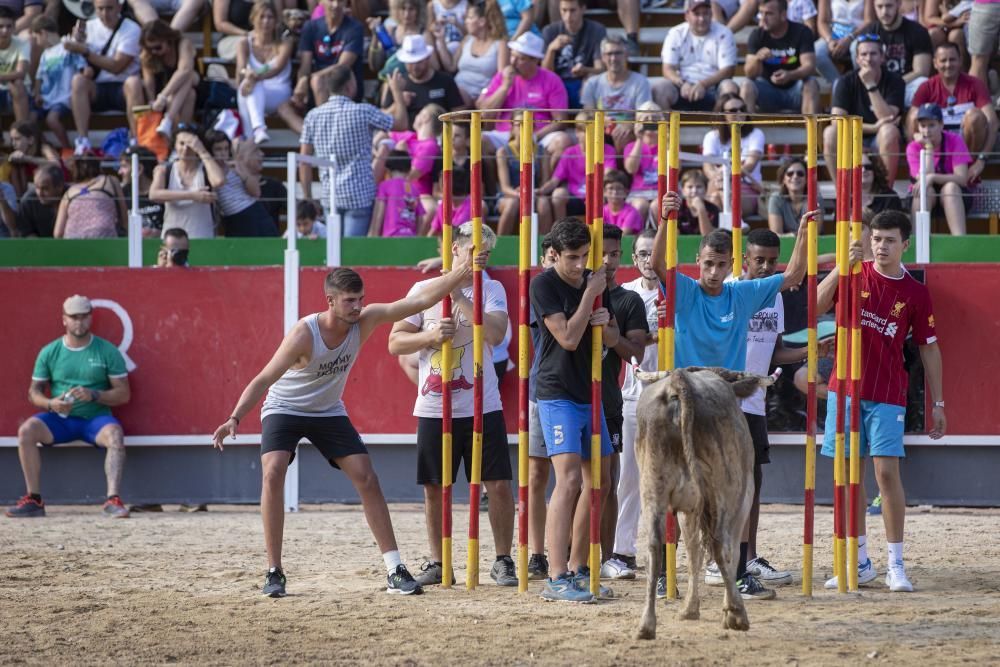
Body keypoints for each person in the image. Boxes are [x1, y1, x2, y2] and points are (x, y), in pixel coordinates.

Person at [211, 248, 480, 598]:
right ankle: (274, 570)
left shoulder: (365, 320)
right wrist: (234, 417)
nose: (357, 306)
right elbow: (264, 379)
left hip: (327, 410)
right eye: (350, 300)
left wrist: (459, 274)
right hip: (285, 407)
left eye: (360, 299)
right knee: (273, 471)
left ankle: (394, 568)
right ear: (330, 301)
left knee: (367, 477)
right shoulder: (303, 334)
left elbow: (414, 303)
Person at [650, 192, 815, 600]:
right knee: (672, 487)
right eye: (708, 263)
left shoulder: (741, 294)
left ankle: (738, 569)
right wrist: (665, 219)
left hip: (726, 404)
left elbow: (794, 276)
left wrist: (805, 233)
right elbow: (656, 265)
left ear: (730, 266)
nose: (714, 271)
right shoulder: (685, 291)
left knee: (738, 490)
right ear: (699, 261)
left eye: (721, 265)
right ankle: (663, 569)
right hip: (684, 401)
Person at [816, 209, 946, 593]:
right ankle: (858, 562)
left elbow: (930, 349)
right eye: (876, 238)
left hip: (888, 393)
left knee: (886, 474)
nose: (881, 246)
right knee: (848, 478)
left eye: (889, 240)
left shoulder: (916, 293)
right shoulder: (854, 273)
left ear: (905, 244)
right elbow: (818, 305)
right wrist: (841, 267)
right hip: (845, 390)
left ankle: (896, 563)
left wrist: (939, 405)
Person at [387, 222, 517, 587]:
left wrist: (460, 294)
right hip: (434, 405)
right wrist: (430, 335)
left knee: (498, 484)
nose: (481, 254)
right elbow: (395, 342)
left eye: (486, 251)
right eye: (474, 248)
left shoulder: (491, 289)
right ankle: (439, 561)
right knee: (434, 486)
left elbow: (494, 333)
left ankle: (503, 558)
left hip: (482, 403)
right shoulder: (423, 289)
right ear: (456, 248)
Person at [530, 216, 618, 602]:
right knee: (567, 481)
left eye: (584, 256)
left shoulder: (596, 283)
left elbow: (613, 338)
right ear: (554, 255)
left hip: (591, 392)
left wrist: (603, 320)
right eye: (572, 257)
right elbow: (566, 337)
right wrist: (588, 298)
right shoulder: (544, 284)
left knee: (597, 483)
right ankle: (556, 574)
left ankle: (581, 568)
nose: (579, 264)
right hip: (557, 392)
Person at [6, 295, 131, 519]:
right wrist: (51, 403)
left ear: (91, 318)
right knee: (26, 431)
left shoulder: (107, 351)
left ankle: (113, 499)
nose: (79, 322)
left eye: (83, 317)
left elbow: (123, 394)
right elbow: (33, 393)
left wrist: (95, 394)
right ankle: (33, 498)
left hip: (95, 418)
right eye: (74, 317)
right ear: (64, 319)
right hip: (61, 419)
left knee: (115, 434)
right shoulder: (50, 351)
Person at [594, 224, 649, 581]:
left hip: (615, 398)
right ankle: (565, 553)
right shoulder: (568, 291)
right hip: (569, 396)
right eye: (603, 253)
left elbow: (636, 352)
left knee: (609, 479)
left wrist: (612, 338)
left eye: (614, 254)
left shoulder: (628, 300)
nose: (608, 261)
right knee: (574, 479)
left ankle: (608, 554)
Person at [299, 64, 407, 237]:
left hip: (330, 195)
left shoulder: (313, 116)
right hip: (360, 196)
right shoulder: (363, 111)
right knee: (351, 257)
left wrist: (308, 196)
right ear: (349, 86)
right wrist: (397, 92)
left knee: (334, 256)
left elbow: (304, 161)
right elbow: (401, 124)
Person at [477, 32, 571, 181]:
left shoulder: (551, 80)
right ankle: (496, 189)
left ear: (535, 61)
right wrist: (505, 86)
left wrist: (533, 136)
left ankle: (544, 186)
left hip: (540, 134)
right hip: (506, 133)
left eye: (520, 58)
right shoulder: (503, 76)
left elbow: (560, 121)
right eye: (512, 56)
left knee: (563, 141)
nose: (513, 62)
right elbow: (484, 114)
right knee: (478, 140)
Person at [822, 34, 903, 187]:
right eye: (864, 54)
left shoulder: (895, 80)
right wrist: (873, 127)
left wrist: (870, 84)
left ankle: (885, 194)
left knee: (889, 131)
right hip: (853, 136)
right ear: (857, 59)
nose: (868, 58)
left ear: (882, 58)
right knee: (830, 133)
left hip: (880, 138)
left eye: (873, 54)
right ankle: (843, 192)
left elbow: (889, 117)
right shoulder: (845, 81)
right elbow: (836, 121)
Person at [909, 42, 996, 183]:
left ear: (960, 61)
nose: (948, 64)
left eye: (952, 59)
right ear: (935, 63)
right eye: (943, 60)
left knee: (975, 116)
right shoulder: (926, 87)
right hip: (935, 148)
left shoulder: (975, 84)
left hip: (966, 148)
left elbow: (993, 122)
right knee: (913, 116)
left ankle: (966, 172)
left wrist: (981, 160)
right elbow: (912, 120)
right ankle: (925, 168)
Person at [66, 0, 142, 155]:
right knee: (77, 81)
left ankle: (136, 139)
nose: (105, 14)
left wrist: (84, 51)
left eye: (109, 8)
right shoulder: (89, 27)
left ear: (119, 7)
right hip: (98, 88)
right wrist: (76, 46)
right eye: (100, 9)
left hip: (123, 88)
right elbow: (79, 64)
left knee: (134, 83)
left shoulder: (132, 29)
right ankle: (83, 141)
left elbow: (117, 66)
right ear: (95, 8)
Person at [652, 0, 739, 112]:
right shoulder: (675, 33)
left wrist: (703, 84)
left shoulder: (724, 33)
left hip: (714, 87)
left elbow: (728, 70)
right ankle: (667, 128)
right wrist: (682, 83)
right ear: (687, 15)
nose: (702, 19)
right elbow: (667, 69)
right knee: (660, 88)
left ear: (711, 14)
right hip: (682, 87)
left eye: (705, 13)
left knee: (729, 87)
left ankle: (724, 129)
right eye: (697, 14)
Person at [741, 0, 820, 114]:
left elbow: (809, 66)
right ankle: (748, 131)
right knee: (746, 85)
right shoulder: (757, 34)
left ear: (783, 15)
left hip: (795, 89)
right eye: (761, 13)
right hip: (768, 91)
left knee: (811, 84)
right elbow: (749, 73)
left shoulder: (802, 32)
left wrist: (790, 75)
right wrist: (757, 59)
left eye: (769, 14)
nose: (763, 18)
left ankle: (810, 131)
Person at [236, 0, 300, 143]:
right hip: (253, 92)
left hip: (279, 92)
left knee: (252, 83)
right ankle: (256, 134)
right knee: (246, 86)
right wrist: (246, 73)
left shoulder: (286, 42)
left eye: (270, 17)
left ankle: (253, 134)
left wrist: (254, 77)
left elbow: (277, 68)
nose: (266, 21)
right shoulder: (244, 42)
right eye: (262, 17)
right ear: (253, 19)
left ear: (276, 20)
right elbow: (240, 69)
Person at [121, 20, 197, 140]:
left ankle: (175, 131)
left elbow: (185, 70)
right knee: (131, 82)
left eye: (158, 47)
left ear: (168, 39)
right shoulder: (148, 54)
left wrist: (163, 96)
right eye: (150, 49)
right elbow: (149, 82)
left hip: (185, 89)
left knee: (188, 79)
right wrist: (154, 101)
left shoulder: (182, 43)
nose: (154, 52)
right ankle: (137, 137)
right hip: (163, 94)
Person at [150, 126, 227, 239]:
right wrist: (193, 195)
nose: (185, 149)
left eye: (190, 144)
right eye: (181, 143)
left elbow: (219, 181)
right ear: (175, 145)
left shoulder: (206, 169)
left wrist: (202, 151)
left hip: (203, 237)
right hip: (171, 240)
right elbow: (154, 194)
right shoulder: (164, 170)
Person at [906, 102, 970, 235]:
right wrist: (928, 147)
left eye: (932, 125)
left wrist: (933, 177)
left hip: (955, 197)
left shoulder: (955, 140)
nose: (926, 130)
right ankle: (917, 242)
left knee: (950, 187)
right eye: (923, 126)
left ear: (941, 125)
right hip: (925, 196)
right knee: (923, 191)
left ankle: (960, 242)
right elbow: (923, 180)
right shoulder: (913, 147)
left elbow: (962, 178)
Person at [539, 111, 616, 220]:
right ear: (577, 132)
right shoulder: (569, 152)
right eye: (587, 131)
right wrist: (539, 191)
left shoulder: (608, 150)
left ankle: (601, 233)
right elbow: (554, 181)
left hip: (597, 195)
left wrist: (600, 191)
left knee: (605, 194)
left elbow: (609, 175)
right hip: (574, 197)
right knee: (558, 194)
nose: (593, 135)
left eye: (595, 131)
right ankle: (562, 231)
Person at [580, 35, 652, 151]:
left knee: (623, 135)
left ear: (626, 55)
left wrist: (629, 124)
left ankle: (618, 168)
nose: (613, 58)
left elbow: (643, 115)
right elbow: (587, 112)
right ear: (603, 57)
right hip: (601, 128)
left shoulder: (640, 82)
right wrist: (601, 120)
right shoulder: (592, 83)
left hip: (628, 131)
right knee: (585, 128)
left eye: (618, 53)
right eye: (609, 54)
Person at [702, 93, 766, 218]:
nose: (739, 113)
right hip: (718, 184)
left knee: (716, 196)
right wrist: (720, 178)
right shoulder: (711, 136)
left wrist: (725, 176)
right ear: (722, 114)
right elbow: (707, 167)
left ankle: (722, 232)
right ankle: (735, 223)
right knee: (716, 193)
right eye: (733, 110)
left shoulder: (756, 134)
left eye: (742, 109)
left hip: (747, 188)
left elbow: (750, 165)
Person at [381, 35, 464, 130]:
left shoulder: (445, 80)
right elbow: (382, 117)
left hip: (439, 136)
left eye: (419, 62)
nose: (415, 67)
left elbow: (459, 113)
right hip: (405, 137)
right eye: (410, 62)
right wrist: (398, 102)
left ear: (428, 58)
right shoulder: (397, 83)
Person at [859, 0, 932, 107]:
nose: (884, 12)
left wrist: (894, 83)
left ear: (899, 4)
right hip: (877, 85)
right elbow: (865, 68)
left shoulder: (917, 31)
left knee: (923, 83)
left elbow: (921, 71)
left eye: (889, 6)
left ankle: (913, 119)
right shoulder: (869, 33)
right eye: (880, 7)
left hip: (906, 82)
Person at [294, 0, 364, 108]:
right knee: (285, 106)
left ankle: (324, 123)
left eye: (340, 1)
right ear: (321, 1)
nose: (335, 5)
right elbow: (305, 65)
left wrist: (314, 77)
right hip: (317, 86)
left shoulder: (355, 28)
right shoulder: (310, 27)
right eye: (331, 0)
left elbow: (343, 65)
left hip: (344, 83)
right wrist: (302, 80)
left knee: (318, 80)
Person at [541, 0, 606, 108]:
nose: (568, 16)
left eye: (572, 10)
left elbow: (600, 69)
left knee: (591, 79)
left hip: (583, 82)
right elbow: (545, 73)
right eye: (564, 10)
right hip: (557, 82)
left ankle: (585, 118)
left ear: (583, 9)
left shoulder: (596, 30)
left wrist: (585, 70)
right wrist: (551, 50)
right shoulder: (550, 30)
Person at [29, 15, 80, 152]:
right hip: (46, 98)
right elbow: (39, 77)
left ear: (43, 33)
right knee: (30, 121)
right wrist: (38, 93)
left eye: (37, 38)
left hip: (63, 98)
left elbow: (80, 64)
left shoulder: (67, 45)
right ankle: (44, 146)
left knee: (52, 120)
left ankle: (67, 149)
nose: (37, 43)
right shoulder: (45, 54)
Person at [441, 0, 508, 104]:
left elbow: (501, 78)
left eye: (470, 17)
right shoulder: (467, 39)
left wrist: (486, 93)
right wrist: (440, 40)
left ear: (482, 22)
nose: (466, 21)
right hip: (458, 90)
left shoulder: (500, 44)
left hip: (483, 96)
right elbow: (451, 66)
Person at [53, 151, 127, 238]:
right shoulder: (110, 180)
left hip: (73, 242)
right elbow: (124, 218)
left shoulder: (69, 193)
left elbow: (57, 233)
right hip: (104, 238)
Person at [370, 148, 426, 237]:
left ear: (388, 170)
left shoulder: (385, 186)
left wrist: (373, 236)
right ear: (409, 169)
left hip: (391, 237)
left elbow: (379, 214)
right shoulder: (414, 189)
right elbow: (420, 217)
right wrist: (418, 237)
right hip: (411, 237)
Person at [1, 119, 60, 198]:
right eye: (12, 139)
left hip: (58, 191)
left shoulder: (44, 148)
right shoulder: (19, 159)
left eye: (17, 139)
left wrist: (28, 159)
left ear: (30, 140)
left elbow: (56, 164)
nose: (13, 144)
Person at [813, 0, 867, 85]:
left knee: (857, 49)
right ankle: (839, 86)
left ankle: (861, 85)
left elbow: (869, 21)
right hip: (834, 34)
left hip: (859, 34)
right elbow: (822, 22)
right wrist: (829, 40)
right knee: (816, 52)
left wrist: (850, 38)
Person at [768, 157, 825, 234]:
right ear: (783, 179)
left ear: (806, 179)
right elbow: (776, 234)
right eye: (790, 174)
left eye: (800, 174)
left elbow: (814, 233)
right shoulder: (776, 199)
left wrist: (790, 235)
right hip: (784, 245)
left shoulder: (816, 199)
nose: (795, 176)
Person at [119, 145, 164, 237]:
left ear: (139, 169)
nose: (120, 172)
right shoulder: (121, 195)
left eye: (124, 166)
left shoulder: (162, 191)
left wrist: (159, 233)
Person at [15, 161, 63, 237]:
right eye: (36, 187)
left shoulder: (73, 198)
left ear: (59, 187)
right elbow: (26, 233)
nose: (39, 193)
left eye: (45, 188)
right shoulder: (28, 201)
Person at [0, 7, 29, 122]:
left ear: (14, 27)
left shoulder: (22, 43)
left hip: (19, 93)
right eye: (0, 26)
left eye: (9, 26)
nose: (5, 31)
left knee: (17, 84)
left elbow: (21, 73)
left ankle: (22, 131)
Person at [678, 169, 720, 235]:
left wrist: (701, 209)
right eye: (690, 187)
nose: (694, 191)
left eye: (699, 187)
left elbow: (708, 235)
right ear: (683, 190)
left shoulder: (713, 209)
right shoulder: (678, 208)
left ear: (706, 190)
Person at [967, 0, 999, 86]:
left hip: (986, 6)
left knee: (978, 60)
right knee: (978, 60)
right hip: (986, 6)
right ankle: (980, 97)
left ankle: (979, 98)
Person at [602, 169, 642, 234]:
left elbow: (623, 237)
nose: (614, 192)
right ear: (604, 191)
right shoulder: (601, 211)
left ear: (626, 192)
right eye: (610, 188)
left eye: (619, 188)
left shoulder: (632, 212)